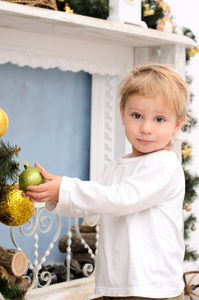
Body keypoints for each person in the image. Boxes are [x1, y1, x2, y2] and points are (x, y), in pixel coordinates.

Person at [18, 62, 190, 299]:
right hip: (115, 281)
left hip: (153, 286)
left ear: (177, 124)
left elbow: (122, 199)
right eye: (137, 115)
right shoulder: (116, 167)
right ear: (122, 114)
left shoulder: (164, 166)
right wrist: (52, 191)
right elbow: (92, 205)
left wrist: (66, 187)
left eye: (159, 119)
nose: (146, 128)